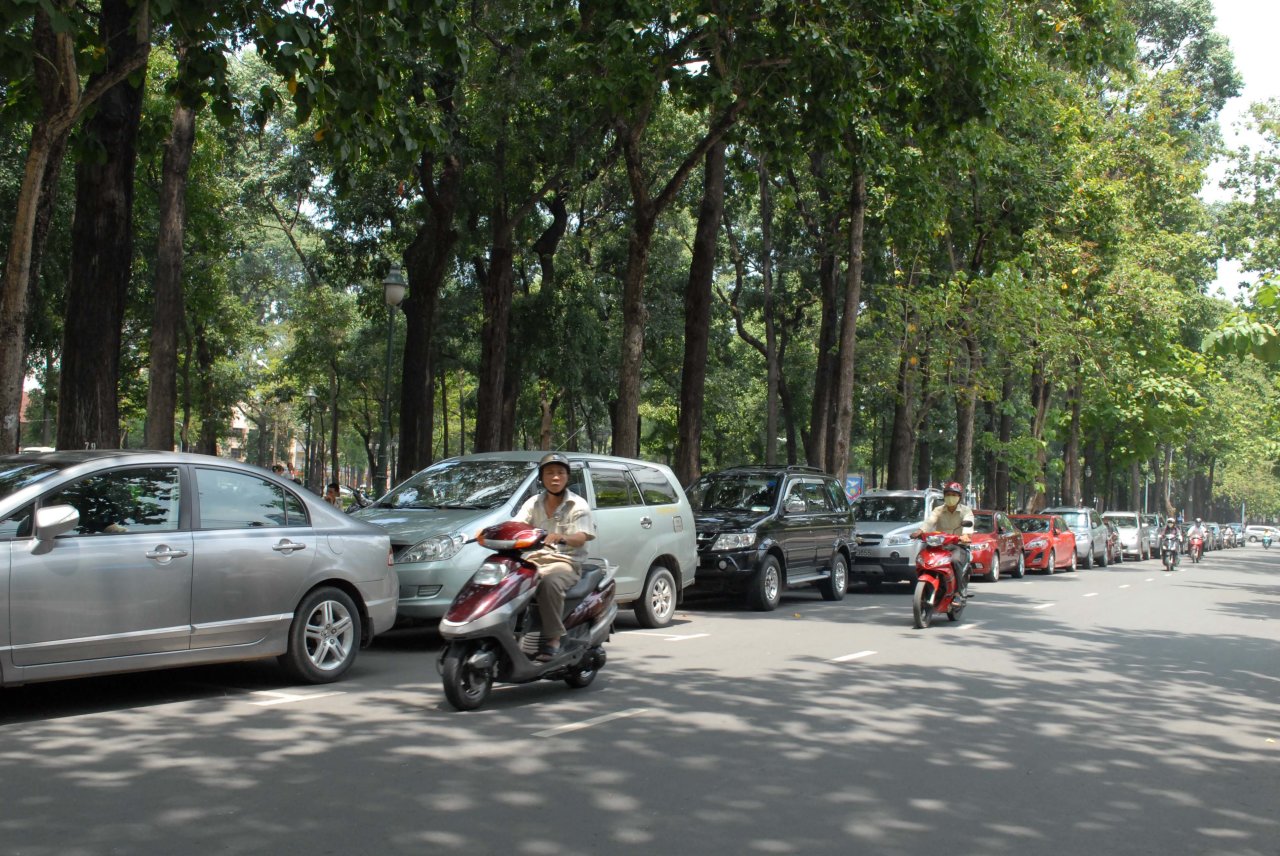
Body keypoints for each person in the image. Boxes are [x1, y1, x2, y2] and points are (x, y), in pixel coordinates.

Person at [515, 453, 596, 662]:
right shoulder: (533, 503)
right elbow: (517, 526)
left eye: (560, 473)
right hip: (533, 560)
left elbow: (581, 537)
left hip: (565, 562)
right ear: (542, 478)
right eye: (550, 473)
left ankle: (553, 639)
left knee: (549, 583)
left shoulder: (578, 505)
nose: (555, 477)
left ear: (567, 477)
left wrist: (562, 537)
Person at [911, 481, 975, 598]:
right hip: (938, 545)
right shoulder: (938, 510)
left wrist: (965, 536)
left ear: (959, 497)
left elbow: (968, 530)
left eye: (954, 495)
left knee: (955, 561)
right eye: (948, 494)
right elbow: (930, 521)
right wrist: (919, 532)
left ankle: (958, 593)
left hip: (958, 546)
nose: (951, 497)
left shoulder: (966, 511)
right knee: (922, 559)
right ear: (944, 496)